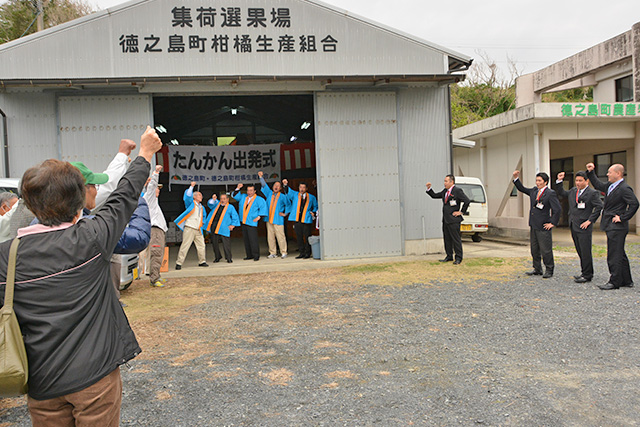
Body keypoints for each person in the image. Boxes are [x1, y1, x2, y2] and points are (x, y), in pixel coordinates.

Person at [0, 126, 162, 426]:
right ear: (78, 204)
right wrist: (145, 154)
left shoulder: (6, 255)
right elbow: (124, 196)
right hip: (95, 378)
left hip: (42, 382)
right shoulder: (91, 237)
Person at [70, 161, 151, 302]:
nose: (97, 191)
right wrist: (136, 198)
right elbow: (139, 237)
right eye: (94, 186)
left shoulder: (36, 232)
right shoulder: (90, 229)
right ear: (83, 191)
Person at [586, 162, 639, 290]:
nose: (607, 174)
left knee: (614, 254)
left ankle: (614, 281)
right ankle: (626, 280)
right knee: (620, 253)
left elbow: (634, 204)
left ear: (618, 173)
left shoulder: (624, 188)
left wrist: (622, 217)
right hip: (610, 225)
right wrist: (591, 172)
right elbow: (598, 185)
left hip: (617, 226)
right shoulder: (611, 185)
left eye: (610, 172)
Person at [554, 171, 603, 283]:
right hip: (573, 224)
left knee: (585, 251)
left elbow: (599, 206)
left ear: (587, 181)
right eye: (577, 180)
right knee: (579, 250)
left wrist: (590, 221)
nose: (578, 183)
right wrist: (559, 181)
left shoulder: (592, 193)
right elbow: (562, 192)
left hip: (584, 226)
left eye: (581, 180)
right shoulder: (573, 191)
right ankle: (584, 271)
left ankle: (587, 275)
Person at [513, 170, 561, 278]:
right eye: (536, 180)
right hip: (534, 224)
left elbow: (557, 209)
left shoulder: (550, 193)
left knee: (545, 249)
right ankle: (537, 268)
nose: (537, 182)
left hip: (543, 225)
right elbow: (522, 189)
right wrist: (516, 178)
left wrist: (552, 222)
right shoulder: (534, 191)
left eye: (539, 180)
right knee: (534, 249)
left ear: (545, 182)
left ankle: (549, 269)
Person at [426, 174, 470, 264]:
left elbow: (467, 201)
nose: (444, 183)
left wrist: (461, 212)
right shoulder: (445, 191)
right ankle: (449, 256)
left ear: (452, 182)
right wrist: (429, 189)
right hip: (446, 220)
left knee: (456, 239)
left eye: (446, 181)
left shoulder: (457, 190)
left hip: (454, 220)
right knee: (447, 239)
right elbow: (435, 195)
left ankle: (458, 258)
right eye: (444, 181)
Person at [174, 182, 208, 270]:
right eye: (199, 195)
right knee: (185, 245)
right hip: (189, 227)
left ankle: (202, 261)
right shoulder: (191, 203)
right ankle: (179, 262)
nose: (201, 197)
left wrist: (203, 222)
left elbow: (204, 216)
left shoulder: (201, 207)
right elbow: (187, 197)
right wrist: (191, 186)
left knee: (201, 245)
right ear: (194, 197)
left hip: (198, 228)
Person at [144, 165, 168, 287]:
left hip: (158, 230)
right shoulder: (149, 198)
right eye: (157, 188)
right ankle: (154, 278)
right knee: (156, 253)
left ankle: (156, 275)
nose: (158, 190)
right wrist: (156, 173)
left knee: (158, 253)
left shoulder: (153, 202)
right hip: (155, 230)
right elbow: (152, 186)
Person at [232, 183, 268, 261]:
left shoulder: (259, 199)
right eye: (248, 190)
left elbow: (263, 207)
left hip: (252, 222)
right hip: (244, 221)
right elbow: (235, 196)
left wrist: (259, 216)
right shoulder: (243, 197)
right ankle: (249, 255)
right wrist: (238, 188)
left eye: (251, 190)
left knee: (253, 239)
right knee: (246, 239)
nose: (249, 192)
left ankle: (256, 255)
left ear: (255, 191)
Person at [259, 171, 291, 258]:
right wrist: (261, 177)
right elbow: (264, 186)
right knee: (270, 237)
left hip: (278, 219)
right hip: (269, 219)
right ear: (272, 187)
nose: (276, 187)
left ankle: (284, 252)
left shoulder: (283, 196)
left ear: (280, 188)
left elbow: (288, 204)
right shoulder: (269, 193)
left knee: (280, 237)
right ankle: (272, 252)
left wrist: (285, 213)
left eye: (278, 186)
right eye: (274, 185)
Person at [283, 179, 318, 259]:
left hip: (306, 219)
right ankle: (301, 252)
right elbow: (288, 192)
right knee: (299, 237)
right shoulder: (295, 195)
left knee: (307, 237)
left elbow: (315, 206)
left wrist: (313, 212)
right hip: (297, 219)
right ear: (298, 188)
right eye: (300, 187)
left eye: (303, 187)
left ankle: (308, 253)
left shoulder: (311, 197)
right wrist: (285, 185)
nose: (302, 189)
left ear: (306, 189)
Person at [204, 193, 240, 263]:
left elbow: (235, 216)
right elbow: (210, 204)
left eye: (224, 199)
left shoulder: (230, 207)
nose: (222, 200)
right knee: (214, 243)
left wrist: (233, 225)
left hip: (224, 226)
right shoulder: (216, 205)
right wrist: (213, 199)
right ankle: (217, 257)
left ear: (227, 199)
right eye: (221, 199)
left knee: (226, 243)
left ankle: (228, 257)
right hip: (214, 225)